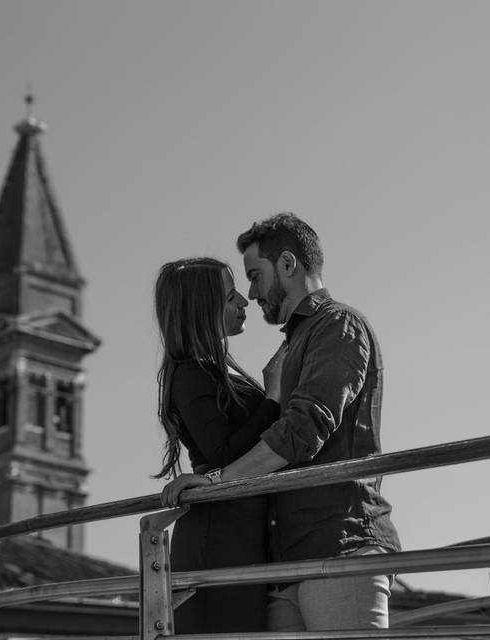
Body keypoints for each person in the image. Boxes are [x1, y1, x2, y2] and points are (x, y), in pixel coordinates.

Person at [163, 213, 401, 631]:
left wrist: (218, 481)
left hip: (337, 543)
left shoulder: (337, 324)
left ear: (288, 265)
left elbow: (303, 429)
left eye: (255, 276)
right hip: (281, 561)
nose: (251, 294)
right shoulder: (292, 345)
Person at [153, 257, 285, 634]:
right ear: (202, 308)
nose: (244, 302)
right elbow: (223, 454)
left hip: (242, 532)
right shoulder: (192, 372)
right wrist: (273, 395)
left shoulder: (217, 366)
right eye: (230, 297)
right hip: (219, 539)